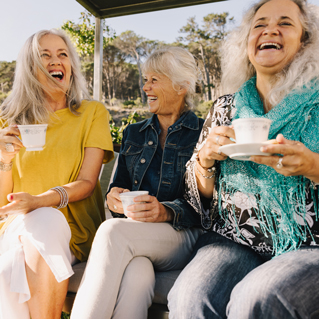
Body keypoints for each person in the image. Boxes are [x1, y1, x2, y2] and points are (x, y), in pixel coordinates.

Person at [167, 0, 319, 318]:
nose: (270, 29)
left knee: (257, 297)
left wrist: (312, 166)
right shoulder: (224, 108)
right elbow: (198, 203)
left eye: (285, 23)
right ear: (247, 41)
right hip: (235, 239)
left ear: (306, 41)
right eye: (260, 23)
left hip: (310, 244)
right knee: (189, 296)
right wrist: (205, 161)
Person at [71, 46, 204, 319]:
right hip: (139, 237)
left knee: (112, 232)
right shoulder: (133, 132)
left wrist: (165, 211)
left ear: (181, 86)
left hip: (183, 235)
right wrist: (114, 197)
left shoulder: (204, 133)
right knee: (138, 274)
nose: (146, 87)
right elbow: (116, 188)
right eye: (145, 80)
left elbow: (208, 205)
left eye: (154, 79)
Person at [0, 29, 113, 319]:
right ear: (29, 67)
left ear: (72, 66)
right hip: (17, 228)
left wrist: (39, 201)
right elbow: (3, 204)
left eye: (63, 54)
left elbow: (88, 183)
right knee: (22, 249)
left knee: (43, 224)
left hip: (74, 231)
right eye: (44, 55)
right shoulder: (7, 122)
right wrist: (4, 159)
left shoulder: (91, 113)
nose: (56, 61)